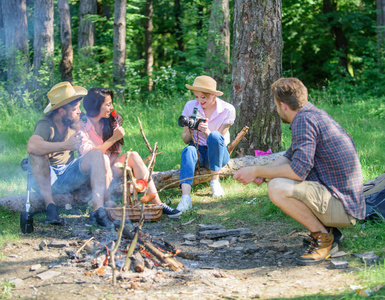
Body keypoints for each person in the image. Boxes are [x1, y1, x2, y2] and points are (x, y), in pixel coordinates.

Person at [232, 77, 365, 265]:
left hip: (343, 207)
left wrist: (257, 170)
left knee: (278, 186)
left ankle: (323, 238)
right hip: (341, 200)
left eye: (276, 105)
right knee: (275, 179)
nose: (277, 109)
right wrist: (261, 171)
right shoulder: (310, 114)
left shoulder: (304, 120)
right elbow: (288, 156)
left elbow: (297, 171)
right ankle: (331, 233)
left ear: (283, 105)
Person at [78, 88, 182, 218]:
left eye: (111, 104)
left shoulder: (108, 122)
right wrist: (113, 139)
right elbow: (89, 154)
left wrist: (114, 137)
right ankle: (104, 204)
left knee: (133, 155)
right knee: (102, 159)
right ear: (96, 105)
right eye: (108, 104)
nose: (111, 107)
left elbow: (115, 153)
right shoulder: (81, 124)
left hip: (109, 168)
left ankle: (158, 203)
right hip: (90, 172)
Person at [27, 82, 114, 229]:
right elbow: (31, 146)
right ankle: (51, 208)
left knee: (97, 154)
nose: (79, 112)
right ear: (61, 112)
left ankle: (97, 211)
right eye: (75, 109)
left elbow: (93, 125)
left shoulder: (73, 121)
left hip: (69, 174)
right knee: (36, 155)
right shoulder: (46, 124)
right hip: (49, 179)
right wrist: (64, 145)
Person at [176, 75, 236, 213]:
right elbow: (185, 140)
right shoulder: (190, 106)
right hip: (198, 150)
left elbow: (219, 139)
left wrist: (207, 131)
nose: (199, 101)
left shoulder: (227, 109)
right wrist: (190, 129)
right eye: (197, 97)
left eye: (204, 97)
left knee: (214, 135)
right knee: (187, 151)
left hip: (218, 153)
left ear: (213, 95)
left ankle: (215, 181)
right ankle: (185, 198)